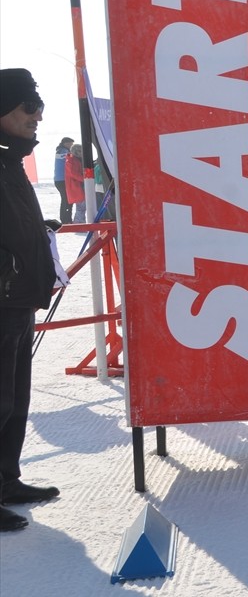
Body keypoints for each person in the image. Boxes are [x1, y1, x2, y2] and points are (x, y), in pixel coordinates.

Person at [0, 68, 60, 532]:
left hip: (17, 300)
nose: (38, 116)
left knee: (14, 398)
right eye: (28, 107)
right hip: (2, 298)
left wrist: (40, 241)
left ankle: (5, 481)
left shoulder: (9, 160)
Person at [64, 142, 86, 223]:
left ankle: (80, 223)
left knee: (82, 206)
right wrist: (85, 179)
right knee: (81, 206)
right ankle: (79, 223)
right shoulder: (71, 159)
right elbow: (73, 173)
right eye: (81, 151)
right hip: (76, 186)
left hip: (79, 185)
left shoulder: (74, 159)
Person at [53, 137, 72, 225]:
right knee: (67, 199)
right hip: (62, 180)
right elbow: (70, 158)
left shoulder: (61, 150)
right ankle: (65, 219)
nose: (71, 146)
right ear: (65, 143)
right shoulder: (63, 151)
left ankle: (66, 219)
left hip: (59, 179)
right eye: (70, 144)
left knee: (66, 199)